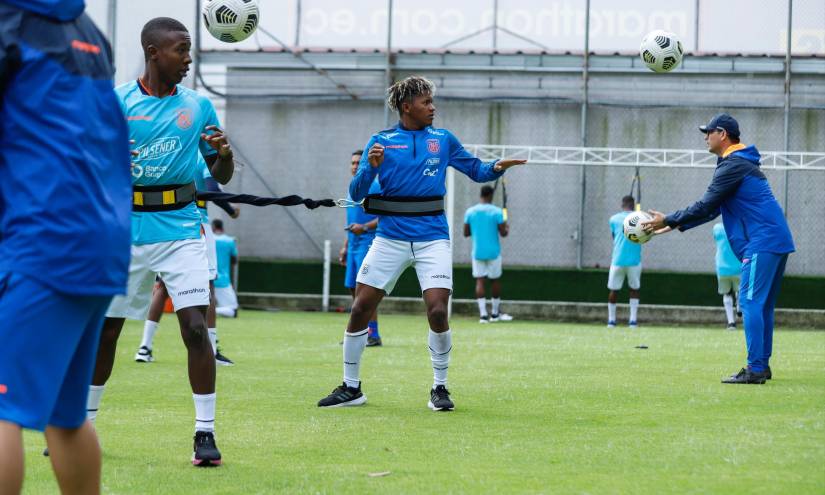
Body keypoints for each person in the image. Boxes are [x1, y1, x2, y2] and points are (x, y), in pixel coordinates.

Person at [317, 75, 526, 411]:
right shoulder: (381, 141)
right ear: (406, 107)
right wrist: (370, 169)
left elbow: (477, 170)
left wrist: (497, 167)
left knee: (438, 311)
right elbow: (356, 194)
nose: (433, 107)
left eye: (431, 101)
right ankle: (351, 388)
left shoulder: (442, 140)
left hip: (432, 240)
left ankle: (439, 388)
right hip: (389, 239)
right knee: (359, 307)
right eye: (426, 102)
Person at [89, 17, 234, 466]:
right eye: (181, 50)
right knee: (107, 331)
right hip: (126, 230)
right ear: (154, 52)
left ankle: (204, 434)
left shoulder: (198, 106)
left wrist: (225, 156)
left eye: (189, 50)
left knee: (195, 327)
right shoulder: (116, 103)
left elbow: (219, 177)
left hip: (181, 228)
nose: (189, 59)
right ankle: (83, 427)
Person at [0, 0, 131, 492]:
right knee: (66, 414)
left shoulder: (10, 25)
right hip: (98, 240)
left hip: (40, 238)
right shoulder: (87, 29)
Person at [642, 113, 795, 385]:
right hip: (775, 240)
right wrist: (676, 224)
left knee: (749, 302)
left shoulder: (733, 164)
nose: (705, 137)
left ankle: (756, 369)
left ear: (722, 134)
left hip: (763, 241)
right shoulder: (737, 162)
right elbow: (712, 209)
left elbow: (704, 205)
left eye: (708, 132)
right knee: (762, 305)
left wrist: (669, 218)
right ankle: (761, 365)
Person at [135, 158, 238, 365]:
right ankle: (212, 348)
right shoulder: (200, 159)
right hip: (195, 222)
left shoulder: (176, 157)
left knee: (162, 287)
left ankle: (144, 347)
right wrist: (231, 209)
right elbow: (212, 190)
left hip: (167, 222)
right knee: (208, 284)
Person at [339, 149, 383, 346]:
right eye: (353, 163)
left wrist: (364, 227)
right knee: (352, 289)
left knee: (365, 291)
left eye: (359, 163)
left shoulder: (373, 186)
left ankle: (373, 334)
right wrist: (345, 245)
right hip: (353, 245)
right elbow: (352, 220)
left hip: (368, 242)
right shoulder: (352, 189)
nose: (355, 166)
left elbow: (385, 216)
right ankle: (358, 333)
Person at [463, 185, 512, 323]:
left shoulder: (470, 212)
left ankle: (483, 315)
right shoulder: (497, 212)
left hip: (478, 252)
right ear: (491, 195)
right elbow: (504, 233)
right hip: (493, 252)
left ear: (481, 195)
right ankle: (495, 314)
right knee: (495, 280)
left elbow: (466, 233)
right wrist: (506, 226)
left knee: (480, 280)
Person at [607, 196, 642, 329]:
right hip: (634, 261)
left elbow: (614, 237)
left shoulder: (613, 219)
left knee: (613, 290)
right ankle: (632, 321)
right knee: (634, 289)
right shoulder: (640, 218)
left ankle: (611, 321)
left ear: (622, 205)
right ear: (633, 205)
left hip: (617, 261)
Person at [713, 222, 742, 330]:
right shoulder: (740, 226)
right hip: (739, 266)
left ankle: (731, 323)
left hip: (722, 267)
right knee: (740, 289)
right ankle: (739, 306)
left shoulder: (717, 228)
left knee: (727, 293)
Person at [212, 220, 240, 318]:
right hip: (223, 280)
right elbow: (235, 260)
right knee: (233, 310)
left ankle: (209, 310)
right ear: (222, 227)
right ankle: (210, 310)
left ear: (213, 227)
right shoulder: (230, 241)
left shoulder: (208, 239)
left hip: (208, 278)